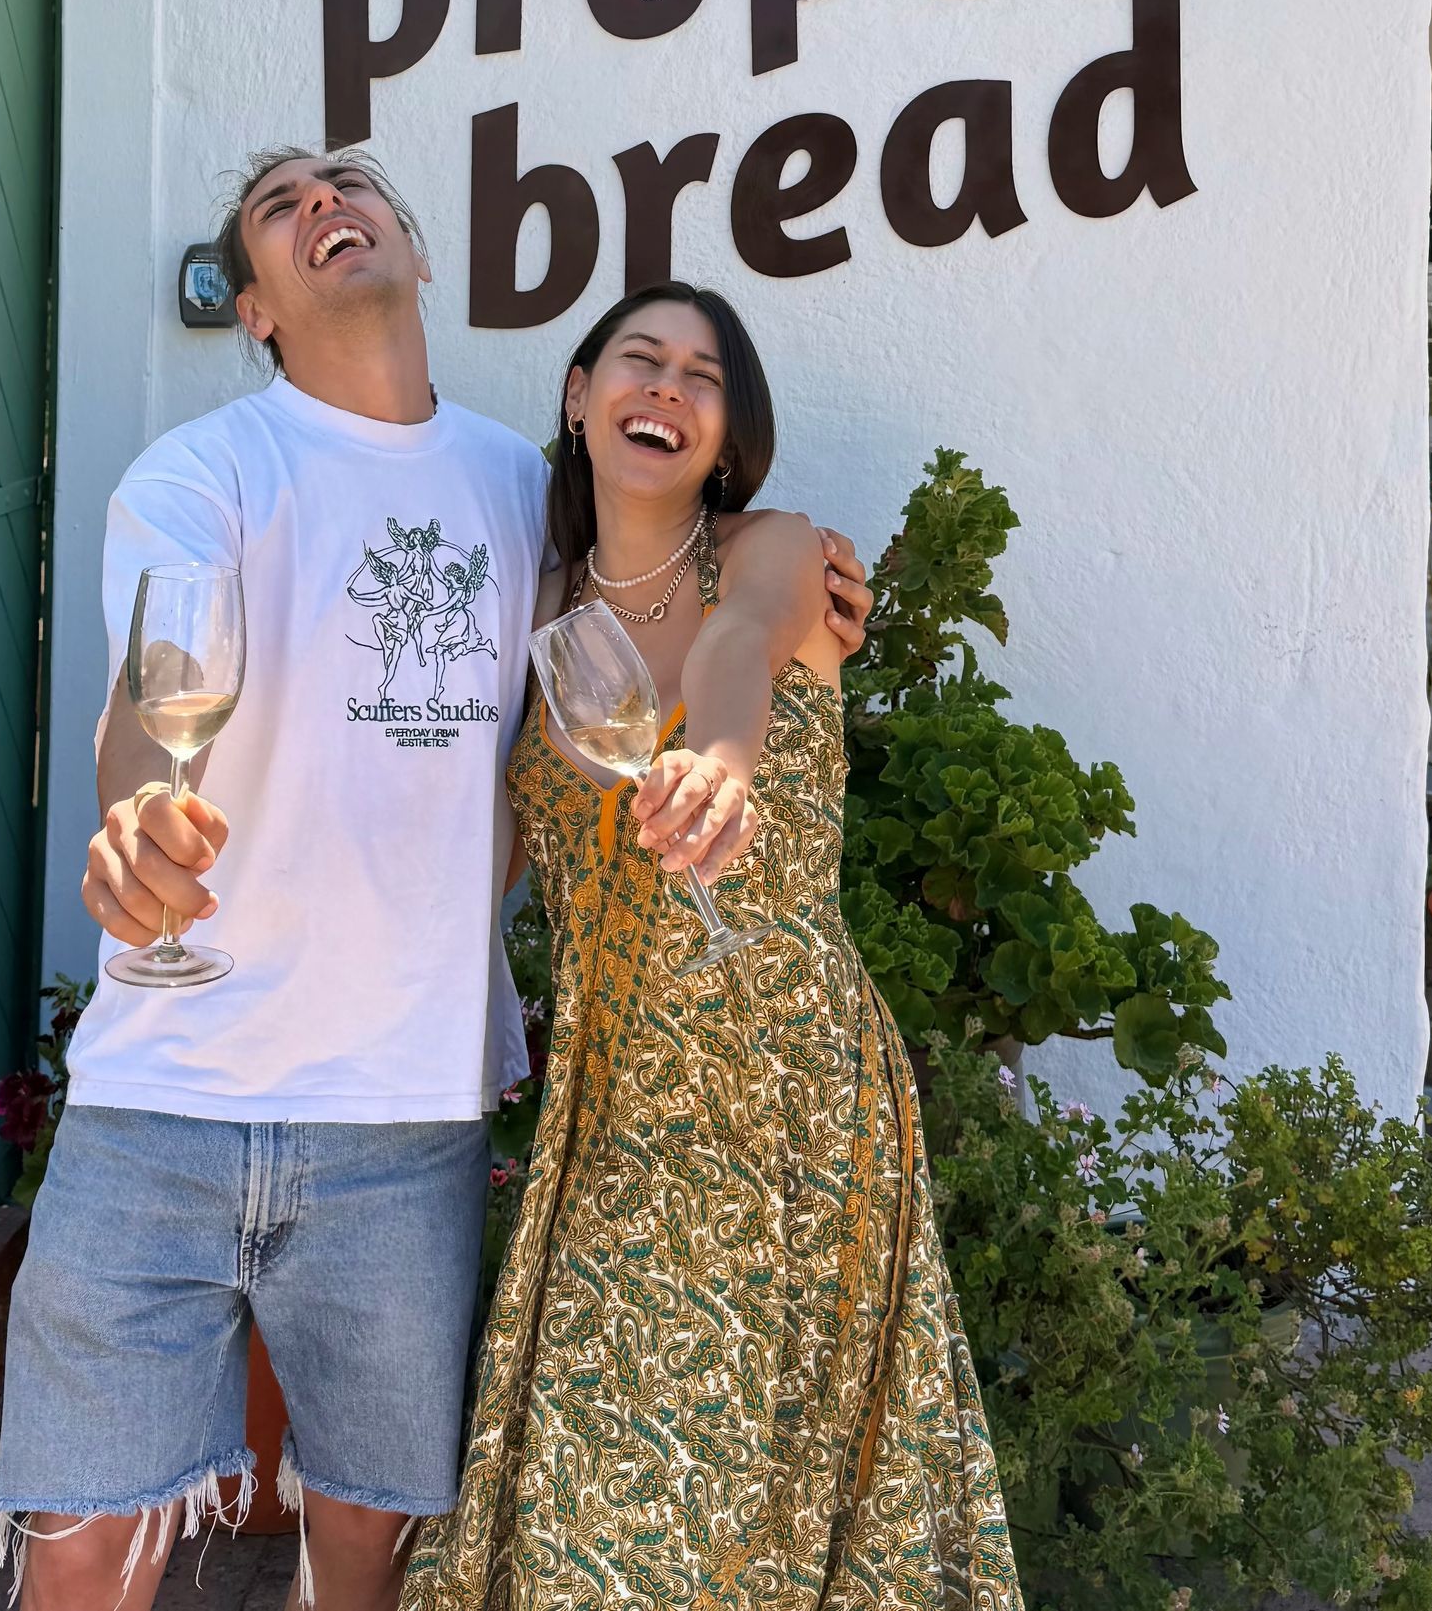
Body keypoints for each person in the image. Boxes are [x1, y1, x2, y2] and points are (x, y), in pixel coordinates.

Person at [0, 151, 873, 1611]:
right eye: (281, 205)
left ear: (414, 250)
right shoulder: (200, 473)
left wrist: (815, 596)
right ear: (258, 307)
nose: (324, 200)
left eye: (352, 185)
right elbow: (151, 691)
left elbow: (686, 599)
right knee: (84, 1546)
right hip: (163, 1097)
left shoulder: (531, 492)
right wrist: (142, 810)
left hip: (403, 1113)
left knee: (368, 1552)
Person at [400, 284, 1022, 1611]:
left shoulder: (778, 549)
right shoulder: (530, 607)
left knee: (773, 1497)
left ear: (729, 434)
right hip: (617, 1112)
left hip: (797, 1104)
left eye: (703, 375)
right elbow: (482, 855)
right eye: (640, 361)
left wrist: (724, 763)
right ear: (580, 396)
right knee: (597, 1491)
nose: (667, 389)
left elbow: (741, 646)